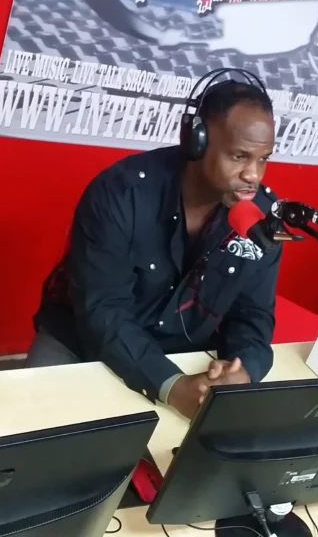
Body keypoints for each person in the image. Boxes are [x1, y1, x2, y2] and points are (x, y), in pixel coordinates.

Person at [30, 79, 281, 419]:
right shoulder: (121, 193)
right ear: (197, 141)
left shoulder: (261, 217)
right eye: (239, 156)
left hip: (186, 354)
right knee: (36, 430)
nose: (253, 174)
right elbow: (103, 310)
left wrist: (243, 370)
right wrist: (171, 385)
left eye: (263, 159)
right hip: (83, 341)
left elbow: (253, 316)